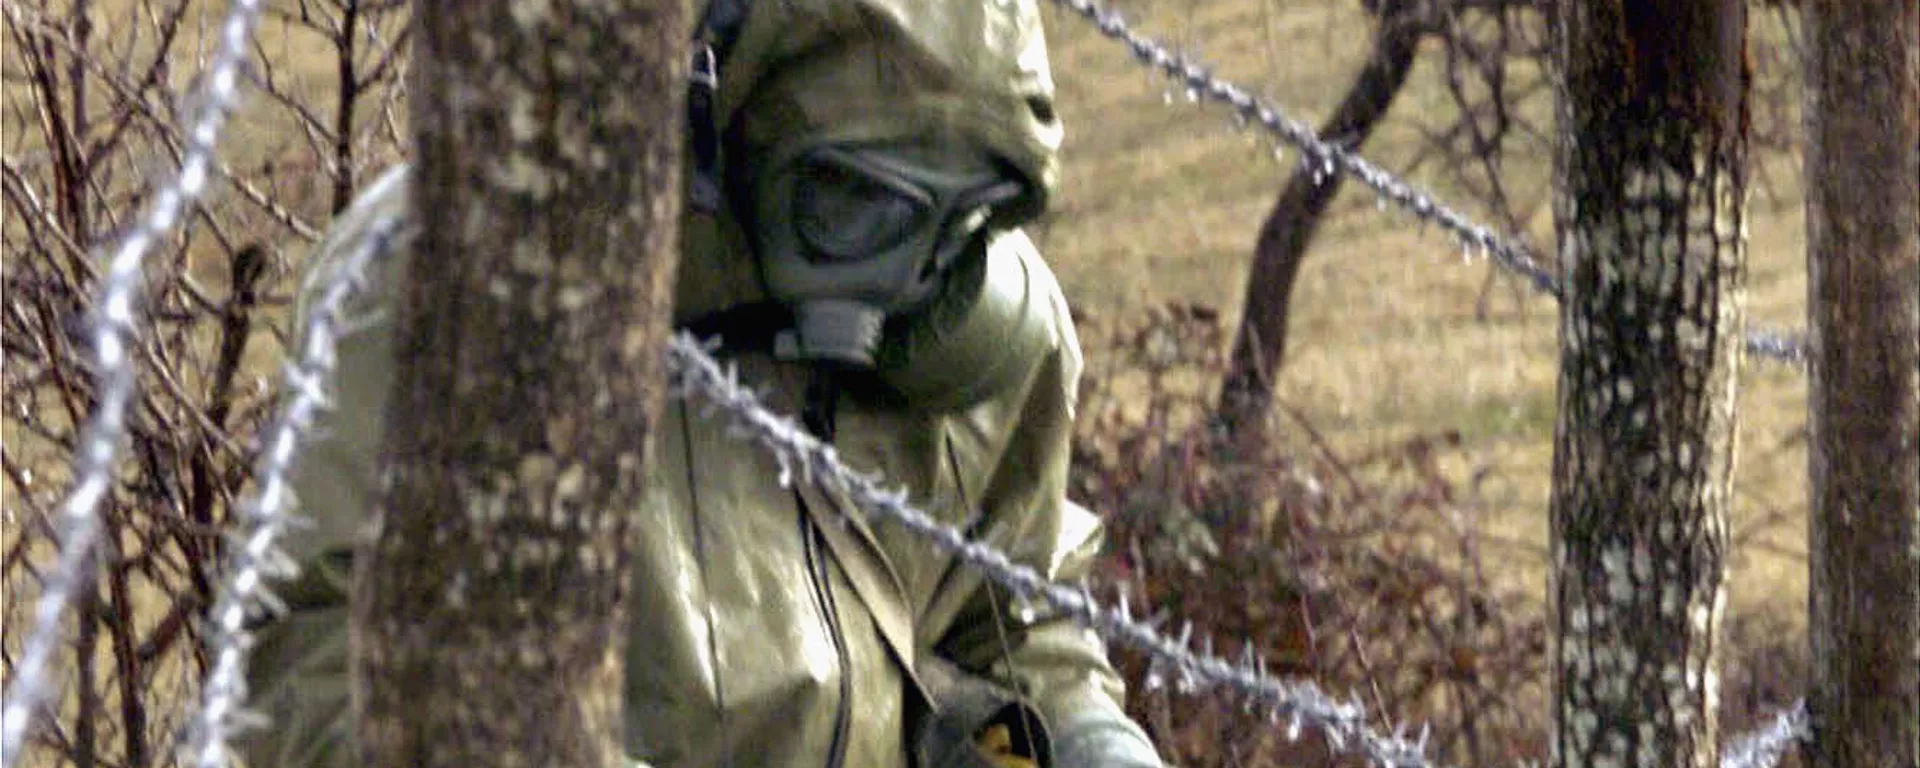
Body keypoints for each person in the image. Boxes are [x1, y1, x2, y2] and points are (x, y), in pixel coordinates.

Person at [236, 0, 1164, 766]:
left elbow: (1011, 613)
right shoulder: (469, 279)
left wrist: (1089, 741)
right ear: (728, 118)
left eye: (960, 215)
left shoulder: (969, 326)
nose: (904, 262)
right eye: (856, 199)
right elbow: (303, 664)